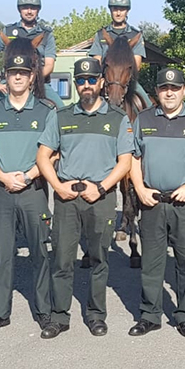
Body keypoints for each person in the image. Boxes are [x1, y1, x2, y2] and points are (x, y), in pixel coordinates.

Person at [36, 57, 133, 338]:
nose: (86, 85)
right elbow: (43, 156)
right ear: (76, 84)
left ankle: (95, 314)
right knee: (62, 260)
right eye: (81, 81)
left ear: (102, 82)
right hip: (67, 197)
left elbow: (125, 162)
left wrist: (101, 188)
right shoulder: (61, 116)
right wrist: (57, 186)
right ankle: (59, 316)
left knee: (99, 260)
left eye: (92, 80)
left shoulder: (117, 118)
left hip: (100, 198)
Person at [128, 67, 185, 338]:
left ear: (184, 91)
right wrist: (139, 188)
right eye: (164, 88)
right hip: (152, 200)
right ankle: (150, 315)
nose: (169, 93)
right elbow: (133, 157)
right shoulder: (143, 120)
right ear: (157, 91)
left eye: (175, 88)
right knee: (152, 262)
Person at [0, 40, 55, 334]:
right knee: (3, 253)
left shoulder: (47, 110)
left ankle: (45, 312)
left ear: (33, 76)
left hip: (33, 190)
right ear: (5, 77)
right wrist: (4, 176)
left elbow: (53, 152)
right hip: (1, 190)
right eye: (12, 73)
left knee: (39, 252)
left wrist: (33, 174)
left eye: (23, 73)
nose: (18, 77)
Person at [0, 0, 64, 107]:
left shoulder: (46, 34)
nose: (29, 11)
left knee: (61, 110)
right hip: (12, 82)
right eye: (25, 8)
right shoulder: (8, 32)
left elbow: (49, 65)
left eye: (33, 8)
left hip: (39, 83)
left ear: (38, 10)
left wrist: (31, 79)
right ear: (19, 10)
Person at [89, 0, 150, 108]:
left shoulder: (135, 35)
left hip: (126, 81)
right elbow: (96, 62)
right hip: (105, 81)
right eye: (115, 9)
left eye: (122, 9)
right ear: (110, 10)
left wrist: (122, 80)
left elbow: (136, 65)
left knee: (147, 103)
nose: (118, 13)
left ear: (127, 11)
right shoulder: (101, 35)